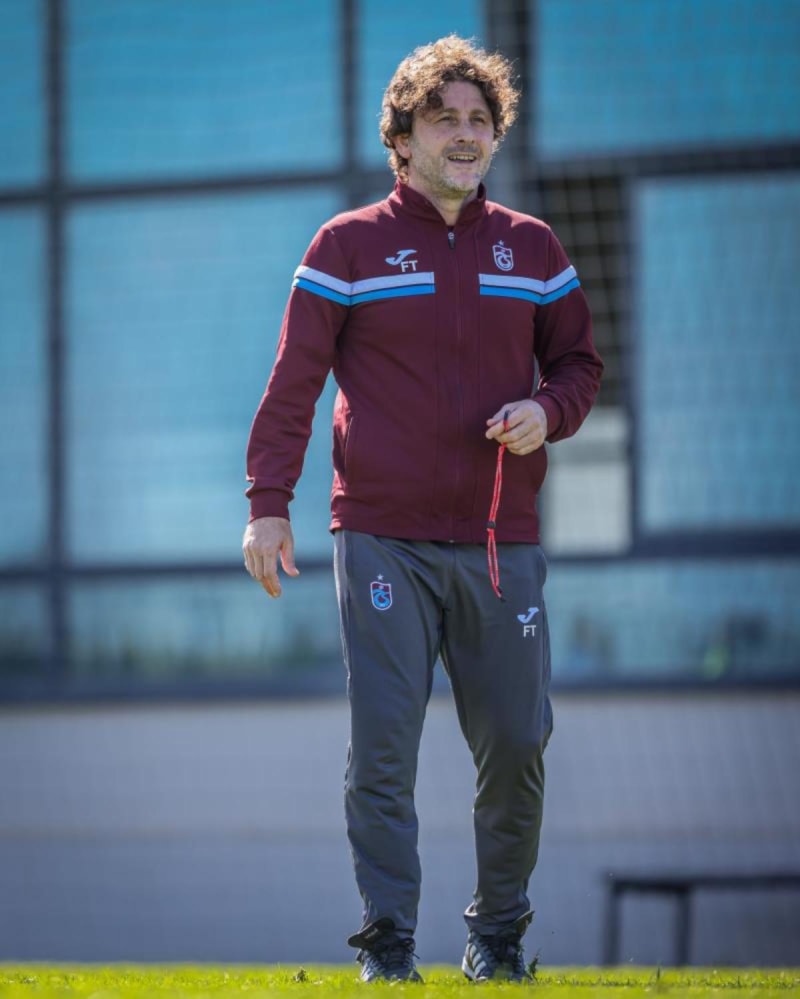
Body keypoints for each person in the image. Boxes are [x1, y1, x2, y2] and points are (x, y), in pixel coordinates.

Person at [243, 35, 602, 983]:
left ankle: (497, 935)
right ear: (402, 139)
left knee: (518, 742)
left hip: (500, 542)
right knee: (383, 748)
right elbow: (293, 385)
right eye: (444, 118)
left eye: (481, 119)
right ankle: (389, 943)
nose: (466, 134)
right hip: (380, 540)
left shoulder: (535, 248)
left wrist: (547, 410)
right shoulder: (345, 246)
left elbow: (579, 365)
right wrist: (268, 503)